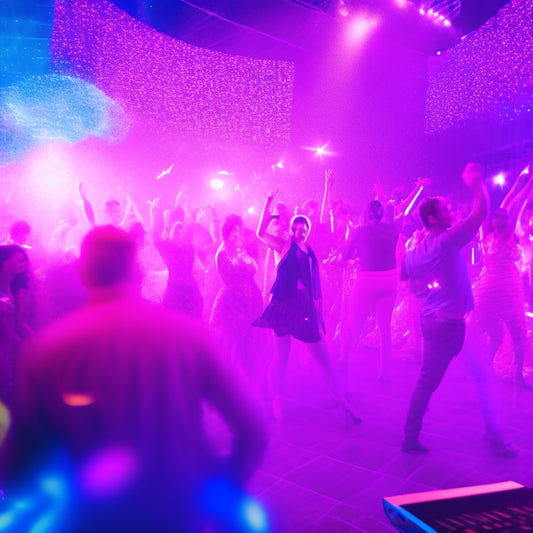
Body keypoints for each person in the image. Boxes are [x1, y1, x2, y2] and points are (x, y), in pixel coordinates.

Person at [1, 225, 268, 533]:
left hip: (89, 516)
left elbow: (17, 464)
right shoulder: (187, 334)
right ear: (138, 271)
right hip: (174, 507)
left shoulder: (47, 348)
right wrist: (220, 492)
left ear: (85, 274)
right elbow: (253, 429)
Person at [253, 188, 361, 424]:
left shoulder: (310, 252)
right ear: (292, 229)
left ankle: (343, 402)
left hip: (304, 310)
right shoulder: (282, 245)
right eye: (296, 226)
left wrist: (318, 314)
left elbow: (315, 286)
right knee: (281, 356)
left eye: (304, 227)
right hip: (282, 306)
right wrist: (267, 202)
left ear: (308, 230)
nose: (300, 229)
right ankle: (276, 400)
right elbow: (261, 232)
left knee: (324, 359)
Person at [401, 163, 489, 453]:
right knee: (428, 380)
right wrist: (476, 184)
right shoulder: (447, 240)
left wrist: (429, 284)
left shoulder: (414, 250)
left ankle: (494, 431)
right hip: (447, 325)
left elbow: (413, 286)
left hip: (435, 320)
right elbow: (480, 214)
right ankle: (410, 436)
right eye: (447, 209)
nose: (452, 212)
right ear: (433, 218)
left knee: (465, 375)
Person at [474, 166, 533, 385]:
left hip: (489, 289)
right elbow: (514, 205)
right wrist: (527, 183)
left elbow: (507, 204)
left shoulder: (486, 235)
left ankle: (487, 369)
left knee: (496, 335)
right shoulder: (505, 235)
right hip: (506, 290)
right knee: (517, 334)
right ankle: (516, 375)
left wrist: (523, 180)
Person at [210, 214, 265, 381]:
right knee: (236, 346)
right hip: (234, 306)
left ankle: (250, 383)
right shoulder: (222, 253)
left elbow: (254, 267)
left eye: (239, 230)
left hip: (251, 302)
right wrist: (240, 259)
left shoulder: (240, 250)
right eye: (235, 230)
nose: (238, 233)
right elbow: (232, 281)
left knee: (252, 345)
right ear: (226, 231)